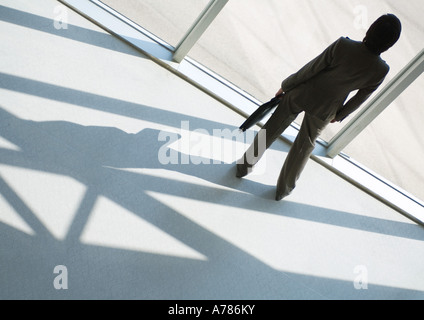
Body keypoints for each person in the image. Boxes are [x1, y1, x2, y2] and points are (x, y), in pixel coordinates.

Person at [236, 14, 402, 201]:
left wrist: (287, 84)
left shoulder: (343, 45)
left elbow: (312, 68)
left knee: (271, 129)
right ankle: (283, 189)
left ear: (371, 29)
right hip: (328, 107)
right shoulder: (380, 70)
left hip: (303, 92)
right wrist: (340, 114)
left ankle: (243, 167)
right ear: (390, 43)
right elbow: (361, 97)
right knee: (303, 147)